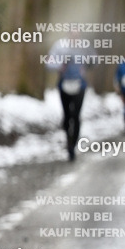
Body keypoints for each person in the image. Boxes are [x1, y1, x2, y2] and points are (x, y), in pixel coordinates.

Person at [45, 32, 94, 161]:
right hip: (64, 84)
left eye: (77, 35)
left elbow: (94, 59)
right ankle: (68, 139)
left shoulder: (85, 46)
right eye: (73, 35)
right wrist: (60, 65)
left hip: (80, 85)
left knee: (76, 115)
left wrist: (88, 63)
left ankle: (73, 143)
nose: (75, 38)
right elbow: (49, 63)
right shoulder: (59, 47)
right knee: (67, 115)